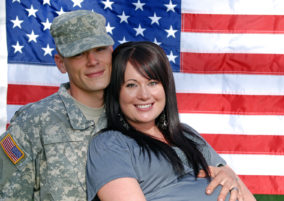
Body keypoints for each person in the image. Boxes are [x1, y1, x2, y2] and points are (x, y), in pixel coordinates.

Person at [0, 10, 253, 201]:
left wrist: (227, 175)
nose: (92, 61)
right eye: (78, 53)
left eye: (99, 49)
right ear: (60, 63)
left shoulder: (139, 116)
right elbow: (8, 193)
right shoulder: (35, 122)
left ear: (111, 50)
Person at [86, 41, 256, 201]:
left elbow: (240, 189)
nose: (144, 95)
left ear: (165, 87)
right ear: (116, 92)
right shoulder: (110, 144)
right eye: (131, 85)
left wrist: (230, 178)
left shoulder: (186, 134)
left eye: (152, 83)